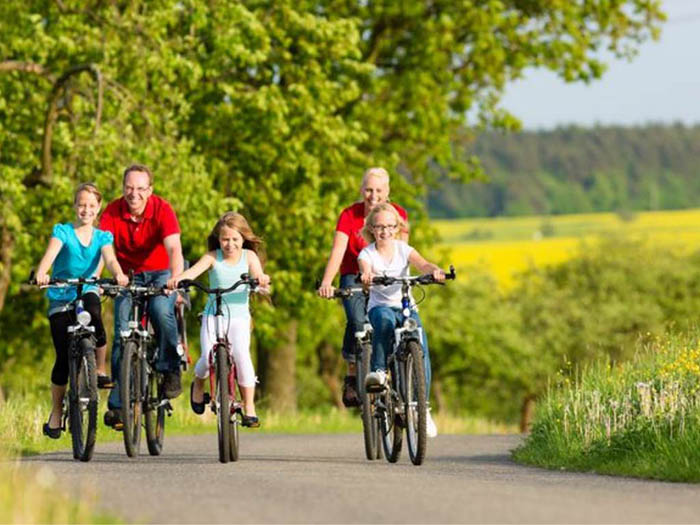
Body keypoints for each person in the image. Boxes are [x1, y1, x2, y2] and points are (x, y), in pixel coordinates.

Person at [35, 182, 129, 438]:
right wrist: (43, 272)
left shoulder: (102, 237)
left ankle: (98, 369)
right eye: (81, 204)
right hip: (61, 294)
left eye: (91, 205)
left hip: (87, 288)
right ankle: (56, 413)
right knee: (63, 359)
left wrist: (118, 273)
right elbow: (51, 254)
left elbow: (109, 258)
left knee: (95, 316)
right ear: (75, 206)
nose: (85, 209)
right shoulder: (63, 231)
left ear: (98, 208)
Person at [99, 164, 185, 429]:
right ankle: (118, 405)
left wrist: (175, 280)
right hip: (127, 275)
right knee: (122, 332)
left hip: (161, 273)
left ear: (150, 190)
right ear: (123, 187)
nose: (133, 194)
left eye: (139, 188)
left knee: (161, 312)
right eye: (128, 187)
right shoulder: (112, 211)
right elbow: (105, 249)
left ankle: (169, 367)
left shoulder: (162, 209)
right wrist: (109, 275)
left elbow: (174, 249)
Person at [167, 212, 270, 427]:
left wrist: (261, 280)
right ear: (218, 239)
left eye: (235, 239)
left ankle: (249, 405)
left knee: (242, 356)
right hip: (213, 315)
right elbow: (193, 273)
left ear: (243, 239)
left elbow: (259, 274)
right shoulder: (213, 257)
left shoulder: (249, 257)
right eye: (225, 239)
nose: (230, 244)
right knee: (206, 355)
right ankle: (198, 384)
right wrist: (178, 280)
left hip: (239, 318)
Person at [317, 167, 408, 408]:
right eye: (368, 189)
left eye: (379, 190)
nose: (373, 195)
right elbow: (338, 251)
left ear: (387, 191)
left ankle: (396, 367)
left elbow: (402, 252)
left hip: (386, 275)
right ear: (361, 190)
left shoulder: (398, 214)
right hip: (354, 276)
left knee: (396, 320)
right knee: (357, 321)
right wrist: (327, 282)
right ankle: (352, 371)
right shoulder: (349, 214)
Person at [358, 202, 444, 438]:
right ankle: (378, 371)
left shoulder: (404, 249)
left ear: (397, 228)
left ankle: (421, 409)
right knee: (384, 322)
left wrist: (434, 271)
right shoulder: (367, 253)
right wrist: (367, 276)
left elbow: (423, 263)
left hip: (405, 305)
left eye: (389, 226)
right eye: (379, 227)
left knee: (420, 342)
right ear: (371, 229)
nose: (385, 231)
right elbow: (364, 270)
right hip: (381, 307)